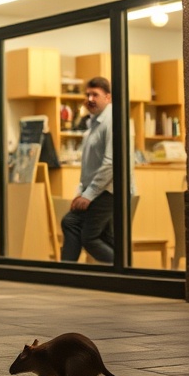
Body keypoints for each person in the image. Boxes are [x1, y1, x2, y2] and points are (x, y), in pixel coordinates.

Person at [61, 76, 115, 264]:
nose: (90, 99)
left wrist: (88, 195)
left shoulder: (111, 121)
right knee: (103, 237)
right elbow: (89, 166)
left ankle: (122, 272)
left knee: (89, 237)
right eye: (88, 94)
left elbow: (110, 163)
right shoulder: (94, 122)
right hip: (96, 191)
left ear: (108, 97)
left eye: (95, 95)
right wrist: (80, 192)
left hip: (108, 191)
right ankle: (122, 270)